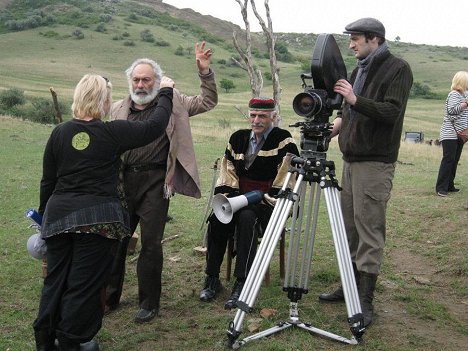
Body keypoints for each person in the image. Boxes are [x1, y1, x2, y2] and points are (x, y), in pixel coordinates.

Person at [33, 74, 174, 350]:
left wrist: (43, 221)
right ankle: (72, 341)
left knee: (55, 280)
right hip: (97, 222)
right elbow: (155, 126)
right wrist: (166, 92)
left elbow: (48, 181)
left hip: (59, 217)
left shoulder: (59, 132)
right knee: (83, 285)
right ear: (104, 100)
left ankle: (46, 340)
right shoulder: (112, 132)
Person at [105, 41, 218, 323]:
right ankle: (108, 297)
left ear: (158, 81)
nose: (141, 84)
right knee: (116, 241)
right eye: (136, 79)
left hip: (157, 180)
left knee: (151, 243)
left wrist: (204, 72)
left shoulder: (174, 102)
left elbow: (207, 101)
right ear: (130, 81)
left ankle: (148, 303)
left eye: (146, 79)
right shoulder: (118, 108)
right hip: (122, 181)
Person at [319, 18, 413, 328]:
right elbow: (349, 113)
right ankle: (349, 287)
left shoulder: (398, 68)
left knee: (369, 229)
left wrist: (354, 99)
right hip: (351, 160)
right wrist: (332, 130)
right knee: (350, 228)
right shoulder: (359, 70)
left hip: (375, 163)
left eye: (356, 39)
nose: (351, 44)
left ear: (373, 38)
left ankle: (365, 299)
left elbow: (390, 111)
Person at [199, 97, 299, 310]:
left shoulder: (284, 140)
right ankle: (212, 278)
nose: (256, 120)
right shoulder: (238, 138)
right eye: (253, 115)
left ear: (273, 116)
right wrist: (230, 198)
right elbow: (227, 172)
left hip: (267, 202)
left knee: (247, 219)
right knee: (217, 219)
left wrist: (262, 197)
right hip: (238, 197)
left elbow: (287, 178)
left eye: (262, 116)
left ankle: (243, 282)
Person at [435, 71, 468, 196]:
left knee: (454, 160)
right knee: (448, 159)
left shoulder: (464, 94)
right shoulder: (454, 94)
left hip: (460, 134)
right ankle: (441, 188)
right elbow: (452, 112)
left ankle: (449, 185)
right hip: (450, 133)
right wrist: (466, 104)